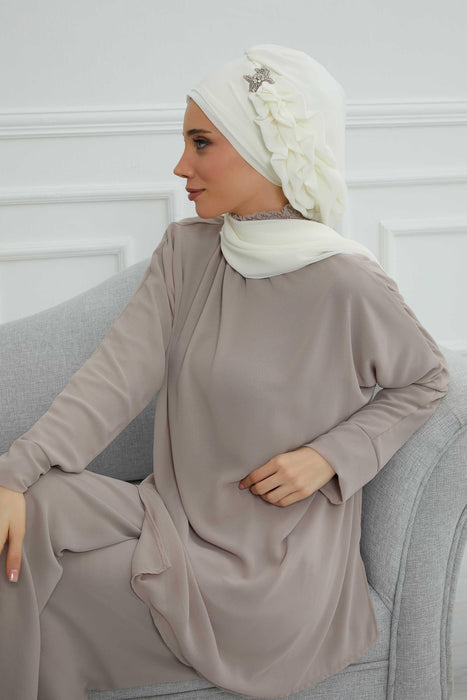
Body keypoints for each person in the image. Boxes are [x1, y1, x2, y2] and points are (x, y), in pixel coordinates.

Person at [0, 43, 450, 700]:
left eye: (202, 143)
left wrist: (329, 456)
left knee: (61, 596)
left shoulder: (347, 282)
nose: (180, 165)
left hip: (269, 567)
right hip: (169, 513)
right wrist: (13, 475)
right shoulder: (186, 251)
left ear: (263, 147)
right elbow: (112, 380)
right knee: (26, 511)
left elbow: (426, 379)